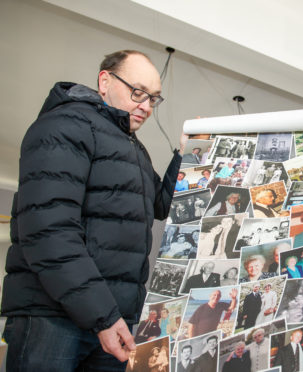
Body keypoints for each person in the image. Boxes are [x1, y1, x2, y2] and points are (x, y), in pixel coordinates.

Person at [0, 50, 188, 370]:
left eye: (153, 98)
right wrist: (103, 316)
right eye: (137, 91)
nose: (145, 105)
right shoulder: (65, 124)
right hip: (56, 317)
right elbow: (48, 231)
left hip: (115, 320)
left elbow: (161, 205)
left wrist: (184, 154)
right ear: (105, 81)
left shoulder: (135, 150)